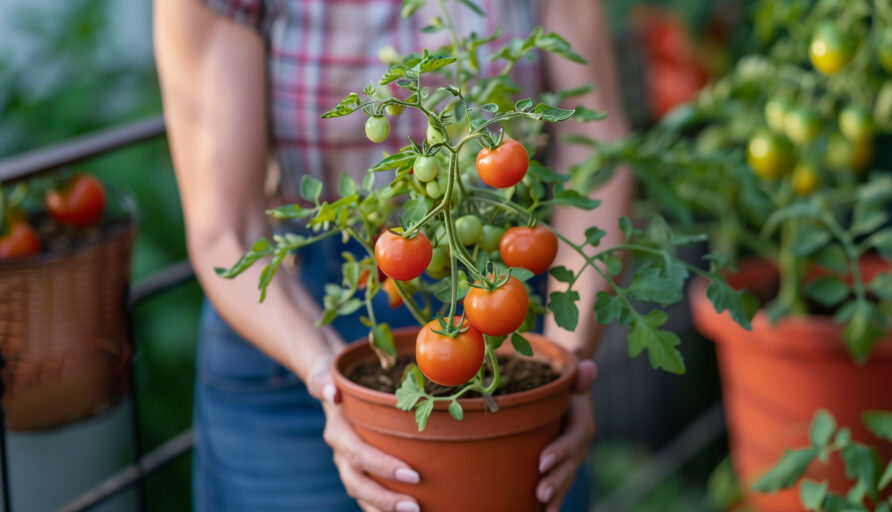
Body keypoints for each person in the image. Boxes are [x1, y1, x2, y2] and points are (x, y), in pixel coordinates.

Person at [154, 0, 632, 510]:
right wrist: (328, 379)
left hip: (505, 321)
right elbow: (225, 231)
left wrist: (565, 365)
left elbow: (595, 155)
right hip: (287, 330)